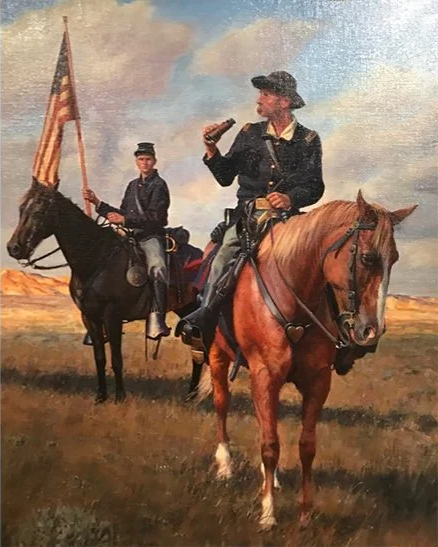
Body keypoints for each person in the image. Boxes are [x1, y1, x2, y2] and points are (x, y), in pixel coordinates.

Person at [175, 70, 324, 348]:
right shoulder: (248, 133)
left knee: (321, 264)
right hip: (248, 218)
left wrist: (291, 198)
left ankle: (336, 338)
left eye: (266, 94)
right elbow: (225, 176)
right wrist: (211, 149)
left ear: (284, 101)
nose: (259, 99)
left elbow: (315, 186)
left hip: (287, 220)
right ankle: (204, 317)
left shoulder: (308, 140)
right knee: (221, 259)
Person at [83, 141, 172, 339]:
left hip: (150, 236)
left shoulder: (159, 185)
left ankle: (157, 318)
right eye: (141, 159)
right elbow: (122, 212)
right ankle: (101, 319)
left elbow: (158, 218)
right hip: (130, 236)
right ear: (136, 162)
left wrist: (126, 220)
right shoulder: (132, 186)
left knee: (158, 267)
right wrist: (97, 203)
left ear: (154, 161)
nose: (145, 163)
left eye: (148, 159)